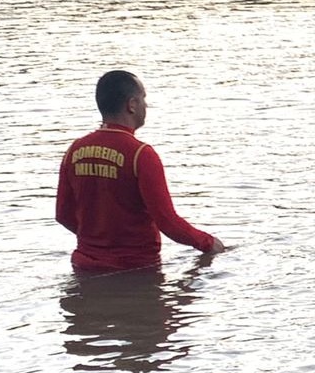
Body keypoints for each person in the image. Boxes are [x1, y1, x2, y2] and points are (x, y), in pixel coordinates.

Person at [56, 70, 225, 271]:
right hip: (136, 269)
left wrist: (98, 242)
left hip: (84, 266)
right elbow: (168, 222)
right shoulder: (141, 154)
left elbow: (63, 214)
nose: (146, 105)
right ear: (132, 105)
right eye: (144, 98)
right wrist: (208, 243)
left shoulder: (74, 150)